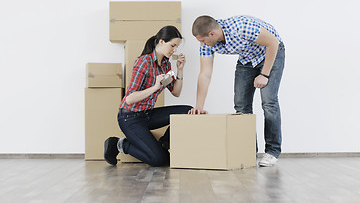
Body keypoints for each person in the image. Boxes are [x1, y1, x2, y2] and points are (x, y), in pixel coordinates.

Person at [189, 15, 285, 167]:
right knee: (241, 105)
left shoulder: (241, 27)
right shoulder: (207, 44)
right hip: (247, 59)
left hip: (270, 52)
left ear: (212, 34)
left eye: (202, 40)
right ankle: (248, 151)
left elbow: (273, 42)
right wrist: (199, 107)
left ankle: (272, 152)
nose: (202, 44)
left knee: (269, 102)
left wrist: (264, 74)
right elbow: (205, 74)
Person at [104, 26, 192, 167]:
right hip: (130, 117)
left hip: (147, 114)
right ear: (162, 42)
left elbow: (176, 92)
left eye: (177, 46)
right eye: (173, 45)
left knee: (189, 111)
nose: (175, 50)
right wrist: (155, 87)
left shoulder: (165, 65)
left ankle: (164, 143)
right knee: (159, 161)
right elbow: (129, 98)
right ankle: (120, 144)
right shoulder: (143, 63)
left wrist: (180, 70)